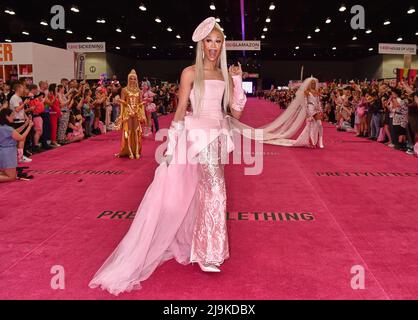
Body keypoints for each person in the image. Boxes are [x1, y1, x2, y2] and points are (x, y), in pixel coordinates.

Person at [89, 17, 247, 295]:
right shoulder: (189, 72)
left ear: (223, 45)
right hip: (196, 136)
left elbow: (235, 113)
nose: (213, 46)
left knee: (202, 193)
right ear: (201, 44)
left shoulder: (224, 74)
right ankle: (209, 253)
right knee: (214, 191)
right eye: (209, 41)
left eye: (218, 41)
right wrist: (172, 146)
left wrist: (237, 82)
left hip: (218, 136)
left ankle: (201, 247)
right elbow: (180, 109)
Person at [114, 70, 146, 159]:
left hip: (136, 113)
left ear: (136, 80)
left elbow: (141, 102)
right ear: (128, 79)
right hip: (127, 113)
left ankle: (136, 151)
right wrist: (121, 115)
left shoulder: (139, 91)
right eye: (131, 79)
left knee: (136, 132)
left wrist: (142, 114)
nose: (132, 80)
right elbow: (122, 103)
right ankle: (130, 151)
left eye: (134, 79)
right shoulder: (124, 90)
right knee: (127, 132)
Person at [0, 108, 33, 182]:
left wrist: (25, 124)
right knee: (12, 177)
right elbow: (21, 138)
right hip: (8, 153)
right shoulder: (8, 128)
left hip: (5, 152)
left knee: (8, 174)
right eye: (12, 115)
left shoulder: (3, 127)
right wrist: (29, 126)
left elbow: (15, 132)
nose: (14, 117)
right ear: (6, 116)